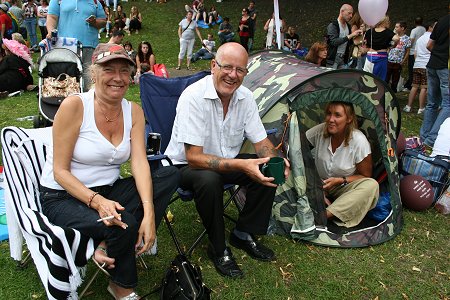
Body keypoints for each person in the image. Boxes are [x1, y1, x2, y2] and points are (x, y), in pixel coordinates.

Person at [39, 43, 180, 300]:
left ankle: (107, 240)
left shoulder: (134, 111)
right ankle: (121, 286)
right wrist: (98, 203)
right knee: (124, 223)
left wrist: (150, 213)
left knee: (169, 174)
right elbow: (59, 171)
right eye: (109, 70)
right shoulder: (75, 106)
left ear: (131, 75)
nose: (117, 78)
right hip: (63, 195)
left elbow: (139, 163)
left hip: (108, 189)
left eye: (124, 71)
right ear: (94, 74)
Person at [165, 42, 290, 278]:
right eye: (227, 67)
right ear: (214, 66)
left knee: (266, 167)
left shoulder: (245, 98)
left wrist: (275, 159)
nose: (233, 75)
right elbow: (193, 158)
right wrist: (243, 165)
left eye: (240, 70)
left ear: (245, 72)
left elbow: (261, 142)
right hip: (186, 167)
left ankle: (244, 232)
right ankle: (219, 248)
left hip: (226, 162)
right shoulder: (193, 97)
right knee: (209, 180)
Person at [306, 101, 379, 228]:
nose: (331, 119)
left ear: (349, 119)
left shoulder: (358, 141)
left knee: (371, 185)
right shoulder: (320, 131)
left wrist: (340, 180)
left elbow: (365, 176)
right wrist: (316, 186)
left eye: (337, 115)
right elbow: (296, 146)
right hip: (317, 183)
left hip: (342, 186)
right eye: (329, 114)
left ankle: (322, 216)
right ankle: (320, 202)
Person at [47, 0, 107, 92]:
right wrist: (50, 31)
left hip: (89, 46)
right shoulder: (57, 1)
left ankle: (90, 102)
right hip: (66, 46)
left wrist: (95, 22)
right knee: (67, 80)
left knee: (89, 80)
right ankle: (69, 102)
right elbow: (52, 17)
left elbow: (103, 21)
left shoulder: (95, 2)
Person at [420, 14, 449, 148]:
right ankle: (431, 139)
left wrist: (438, 55)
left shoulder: (441, 20)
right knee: (447, 104)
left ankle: (424, 136)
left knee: (432, 103)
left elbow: (429, 45)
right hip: (445, 67)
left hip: (433, 64)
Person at [404, 22, 434, 114]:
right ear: (430, 27)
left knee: (414, 86)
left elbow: (415, 53)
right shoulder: (432, 38)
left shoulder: (420, 39)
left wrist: (418, 62)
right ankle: (421, 108)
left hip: (417, 65)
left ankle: (408, 106)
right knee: (424, 87)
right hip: (426, 65)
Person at [325, 4, 362, 69]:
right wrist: (350, 35)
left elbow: (349, 42)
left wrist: (358, 37)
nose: (351, 16)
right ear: (342, 11)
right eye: (349, 13)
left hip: (343, 58)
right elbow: (334, 42)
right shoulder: (333, 25)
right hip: (333, 58)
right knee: (331, 78)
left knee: (342, 78)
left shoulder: (348, 26)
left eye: (352, 14)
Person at [363, 15, 398, 81]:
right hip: (381, 56)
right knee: (379, 80)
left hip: (370, 55)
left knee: (367, 78)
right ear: (385, 22)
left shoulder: (369, 31)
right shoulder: (387, 32)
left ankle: (366, 90)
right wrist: (392, 46)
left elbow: (364, 43)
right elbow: (396, 38)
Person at [386, 21, 411, 92]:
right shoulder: (392, 36)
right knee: (386, 79)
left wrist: (403, 61)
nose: (395, 28)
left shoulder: (407, 38)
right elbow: (388, 47)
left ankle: (393, 94)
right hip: (389, 60)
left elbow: (408, 51)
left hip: (398, 62)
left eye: (397, 27)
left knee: (395, 80)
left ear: (402, 28)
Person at [403, 17, 426, 91]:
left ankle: (410, 85)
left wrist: (408, 47)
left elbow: (411, 40)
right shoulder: (424, 29)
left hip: (413, 52)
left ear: (414, 22)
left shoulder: (414, 30)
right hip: (421, 51)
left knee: (411, 69)